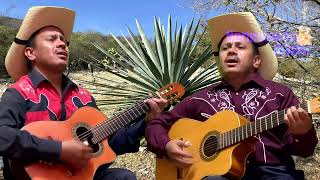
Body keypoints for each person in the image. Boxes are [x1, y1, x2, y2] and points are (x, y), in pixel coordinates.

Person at [0, 6, 167, 180]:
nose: (61, 44)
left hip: (81, 176)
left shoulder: (83, 97)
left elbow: (110, 144)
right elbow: (2, 135)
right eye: (51, 39)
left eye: (63, 41)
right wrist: (59, 150)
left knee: (123, 177)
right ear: (30, 53)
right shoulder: (19, 92)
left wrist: (146, 121)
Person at [146, 12, 318, 180]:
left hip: (273, 172)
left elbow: (304, 151)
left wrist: (302, 132)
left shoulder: (280, 94)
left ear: (256, 60)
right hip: (217, 174)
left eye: (240, 47)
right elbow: (158, 123)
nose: (231, 51)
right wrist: (166, 145)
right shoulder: (200, 99)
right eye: (225, 48)